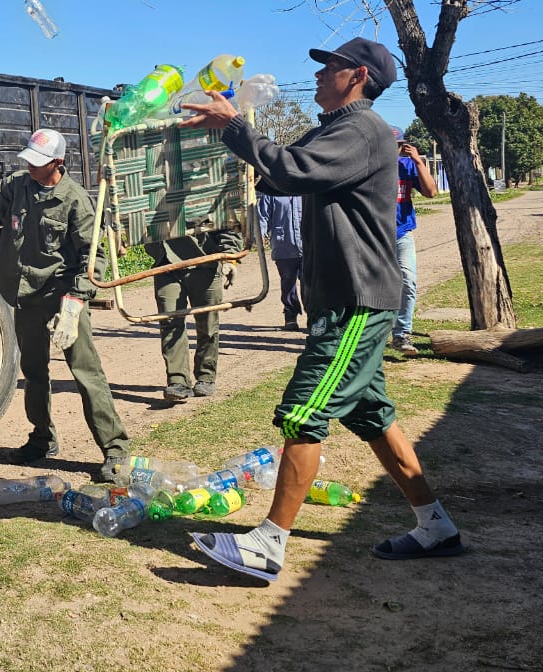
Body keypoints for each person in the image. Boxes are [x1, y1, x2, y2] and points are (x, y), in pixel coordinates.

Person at [177, 36, 463, 582]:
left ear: (356, 76)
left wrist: (237, 126)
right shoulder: (337, 129)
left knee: (303, 413)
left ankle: (269, 543)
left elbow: (291, 170)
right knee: (373, 415)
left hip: (357, 300)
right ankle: (435, 525)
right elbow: (277, 170)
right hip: (344, 300)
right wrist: (221, 137)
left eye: (328, 66)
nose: (317, 74)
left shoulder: (363, 131)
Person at [0, 129, 130, 482]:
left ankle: (115, 450)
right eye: (28, 159)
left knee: (86, 375)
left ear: (57, 163)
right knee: (35, 372)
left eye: (37, 162)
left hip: (63, 300)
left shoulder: (75, 200)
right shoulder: (18, 185)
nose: (29, 165)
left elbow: (93, 259)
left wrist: (73, 307)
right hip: (26, 297)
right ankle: (42, 439)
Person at [147, 226, 241, 403]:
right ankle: (177, 381)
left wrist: (230, 258)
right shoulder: (149, 197)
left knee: (208, 323)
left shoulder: (200, 197)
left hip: (205, 263)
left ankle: (206, 376)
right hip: (166, 266)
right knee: (169, 321)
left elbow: (227, 220)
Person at [390, 127, 438, 353]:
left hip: (402, 234)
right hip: (374, 237)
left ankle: (401, 335)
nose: (395, 149)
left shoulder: (407, 166)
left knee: (408, 281)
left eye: (399, 145)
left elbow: (431, 192)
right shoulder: (369, 167)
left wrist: (418, 161)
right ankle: (375, 335)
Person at [256, 175, 304, 330]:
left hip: (308, 246)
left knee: (310, 283)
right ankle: (290, 315)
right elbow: (262, 216)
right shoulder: (272, 193)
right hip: (284, 245)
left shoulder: (305, 190)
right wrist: (260, 235)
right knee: (287, 282)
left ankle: (314, 316)